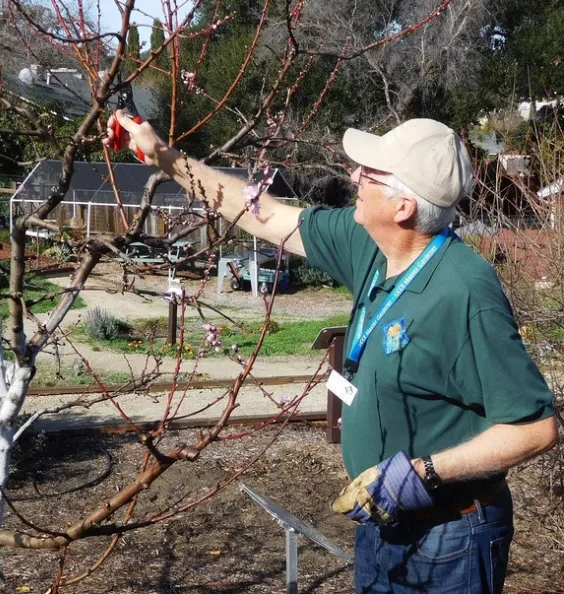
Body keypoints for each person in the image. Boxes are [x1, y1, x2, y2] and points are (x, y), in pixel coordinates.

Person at [105, 112, 558, 593]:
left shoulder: (464, 292)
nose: (355, 176)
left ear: (403, 206)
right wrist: (164, 157)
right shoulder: (369, 244)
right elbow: (263, 213)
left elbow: (535, 428)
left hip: (448, 540)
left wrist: (424, 473)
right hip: (383, 528)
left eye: (371, 173)